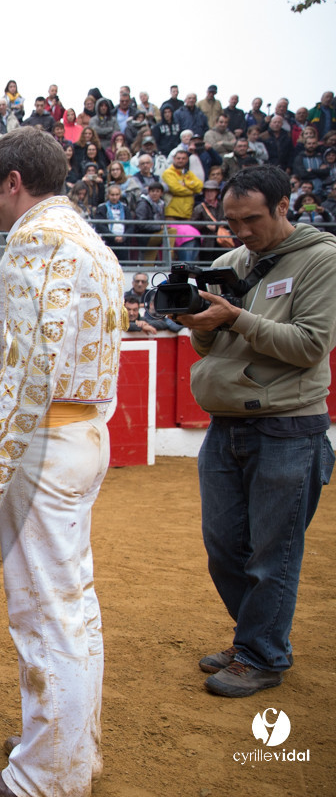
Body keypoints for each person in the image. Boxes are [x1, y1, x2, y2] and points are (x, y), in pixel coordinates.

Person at [0, 127, 124, 797]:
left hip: (42, 447)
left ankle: (45, 778)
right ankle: (67, 747)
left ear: (14, 182)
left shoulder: (35, 242)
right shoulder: (90, 241)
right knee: (73, 604)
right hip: (82, 433)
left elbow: (27, 377)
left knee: (45, 614)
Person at [171, 165, 336, 699]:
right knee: (223, 546)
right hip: (227, 423)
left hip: (290, 426)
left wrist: (235, 318)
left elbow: (310, 345)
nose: (240, 231)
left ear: (285, 205)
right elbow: (211, 348)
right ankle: (252, 638)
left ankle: (263, 654)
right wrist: (201, 328)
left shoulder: (322, 260)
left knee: (274, 552)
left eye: (252, 219)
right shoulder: (228, 264)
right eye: (232, 220)